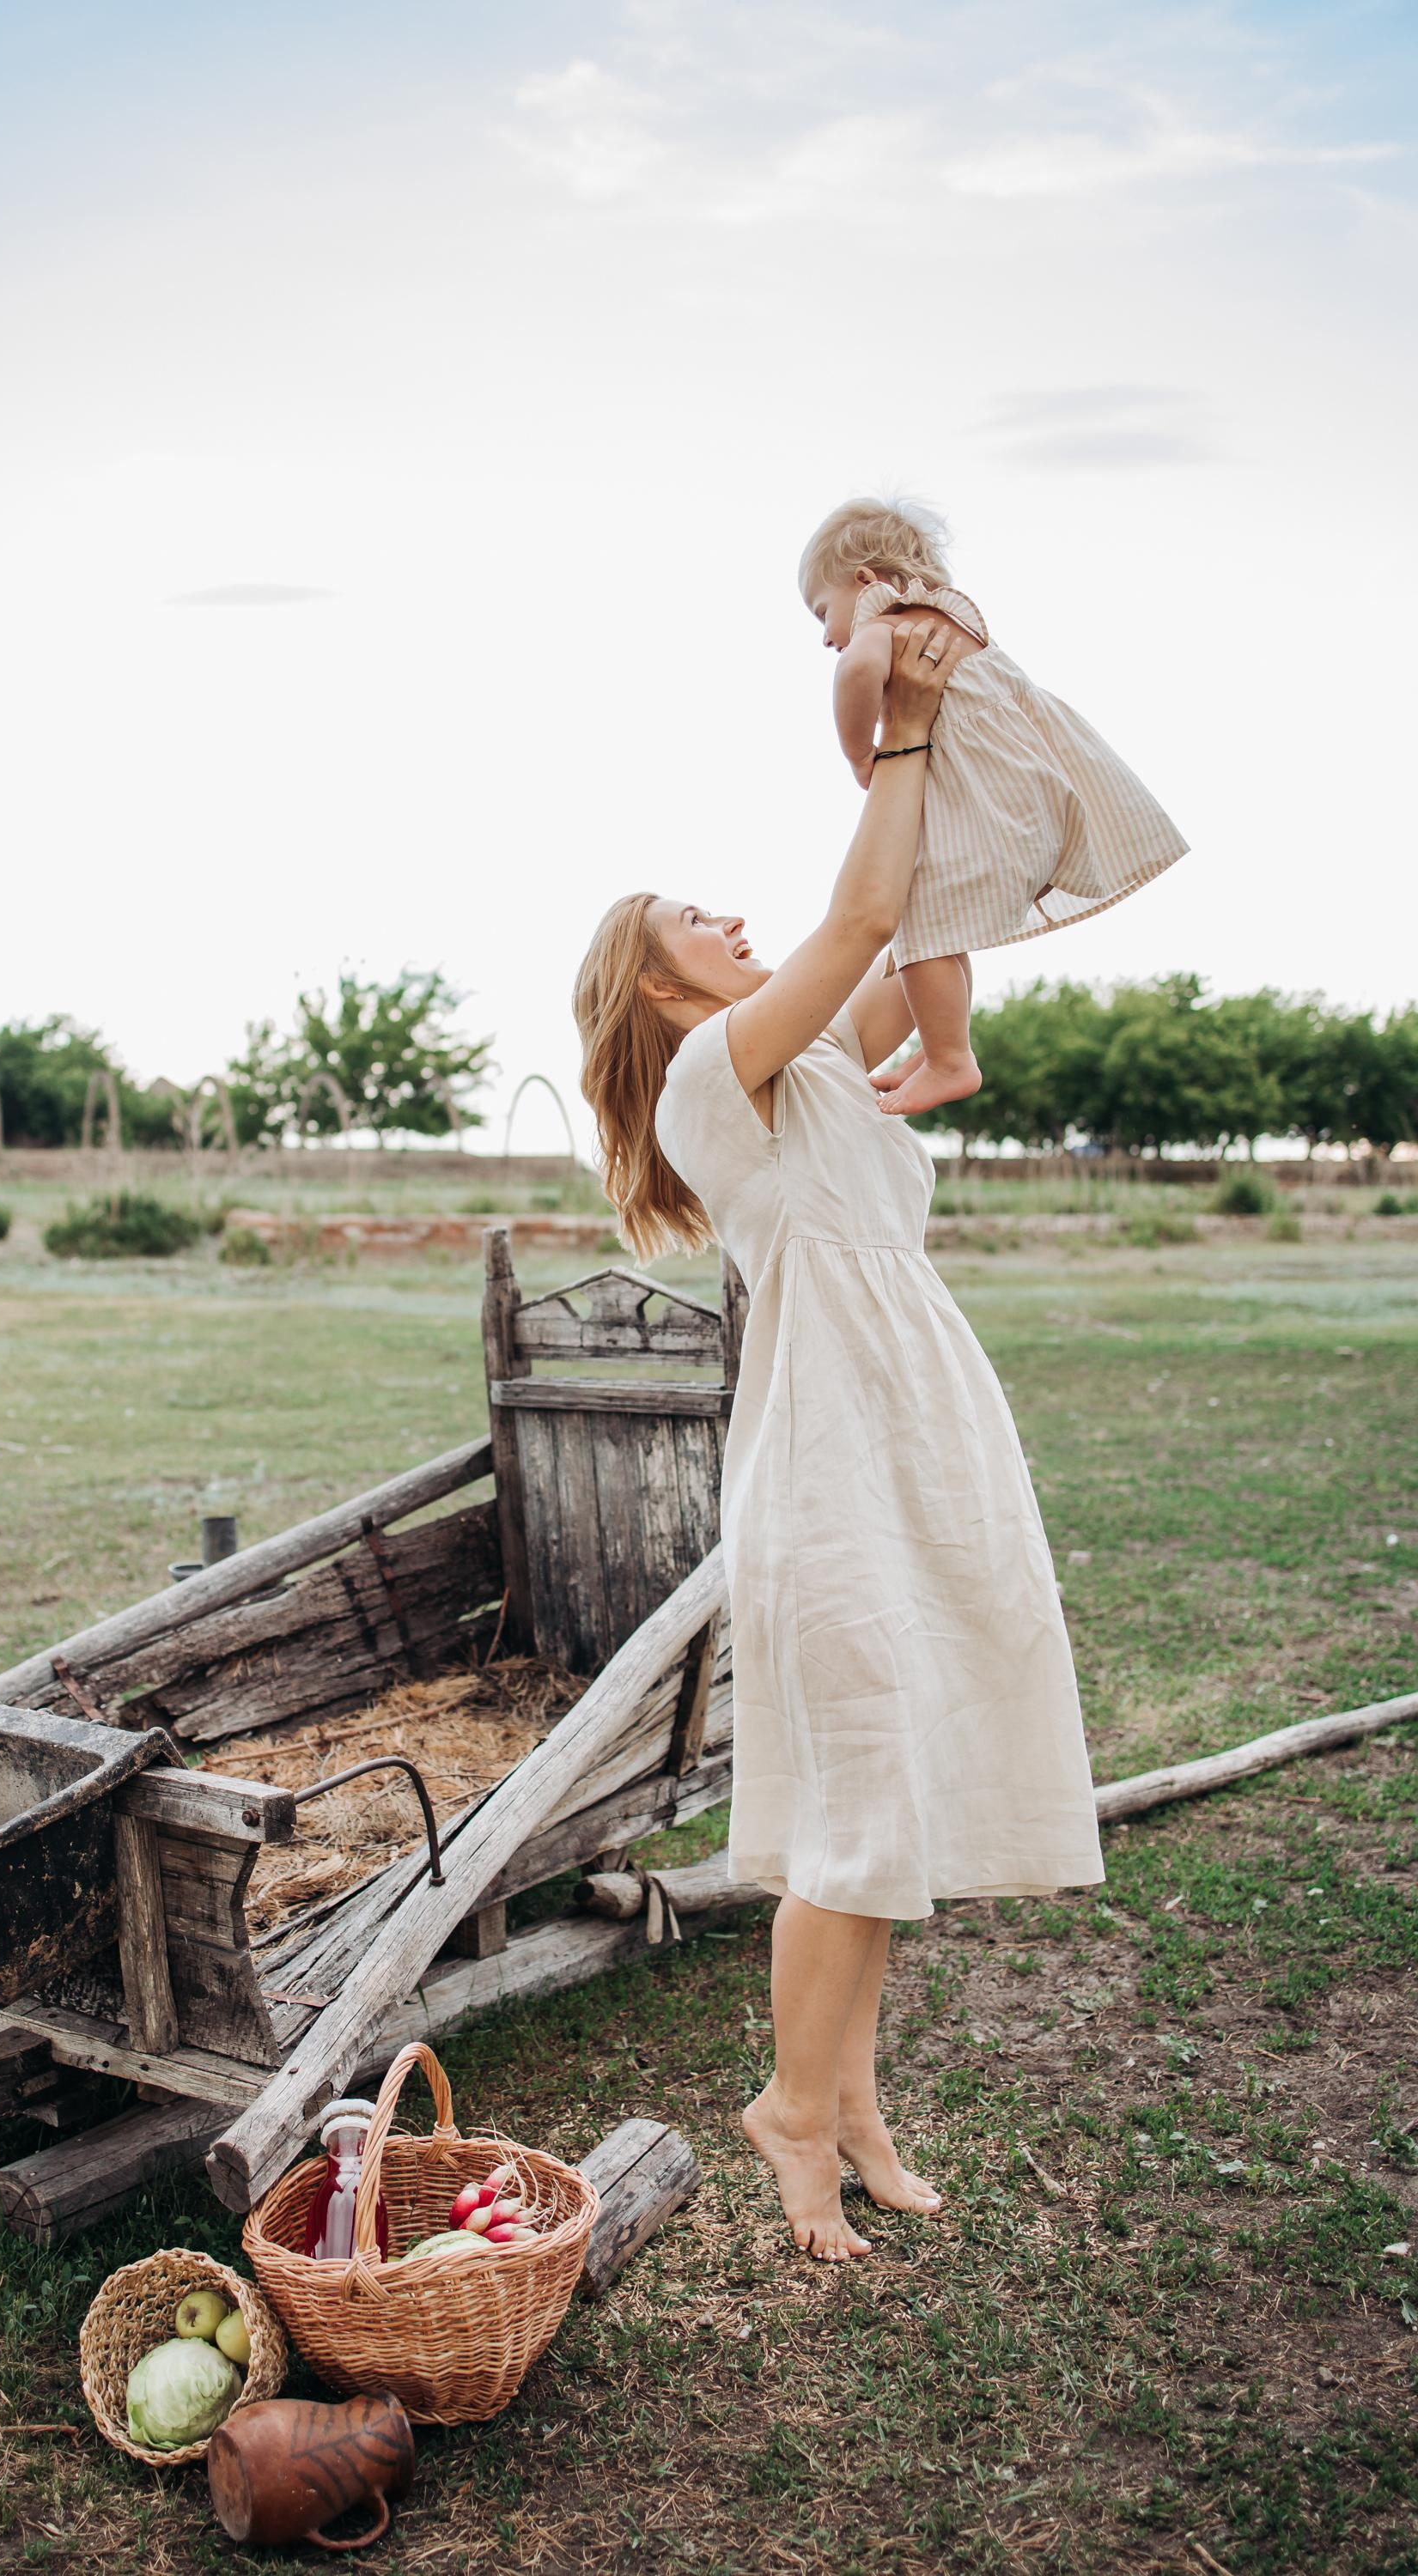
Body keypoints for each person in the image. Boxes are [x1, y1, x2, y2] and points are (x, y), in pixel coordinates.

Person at [571, 619, 1105, 2262]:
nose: (734, 919)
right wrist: (897, 738)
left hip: (922, 1430)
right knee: (853, 1812)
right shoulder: (714, 1084)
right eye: (696, 919)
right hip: (827, 1460)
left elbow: (917, 914)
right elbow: (859, 912)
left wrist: (948, 723)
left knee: (898, 1804)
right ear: (662, 985)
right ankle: (791, 2115)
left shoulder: (811, 1072)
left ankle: (854, 2103)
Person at [801, 495, 1187, 1119]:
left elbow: (855, 672)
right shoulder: (957, 619)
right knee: (940, 929)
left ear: (866, 581)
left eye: (823, 611)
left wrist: (858, 753)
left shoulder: (887, 620)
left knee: (916, 918)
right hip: (1027, 811)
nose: (825, 635)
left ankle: (951, 1057)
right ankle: (941, 1050)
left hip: (996, 818)